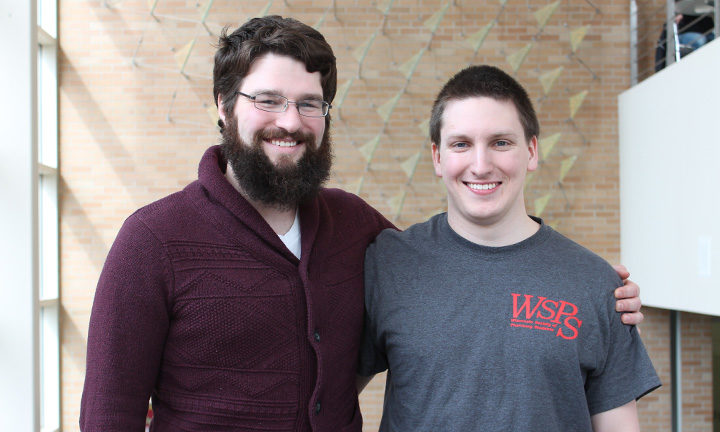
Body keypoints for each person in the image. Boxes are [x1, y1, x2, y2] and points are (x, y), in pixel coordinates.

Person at [80, 16, 644, 432]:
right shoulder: (152, 241)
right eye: (268, 100)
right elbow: (109, 415)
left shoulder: (356, 228)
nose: (289, 122)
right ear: (224, 107)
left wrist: (591, 289)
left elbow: (459, 264)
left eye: (309, 104)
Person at [359, 65, 660, 431]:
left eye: (501, 142)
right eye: (461, 144)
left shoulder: (595, 282)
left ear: (531, 151)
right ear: (438, 157)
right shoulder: (388, 264)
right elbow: (324, 399)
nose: (481, 165)